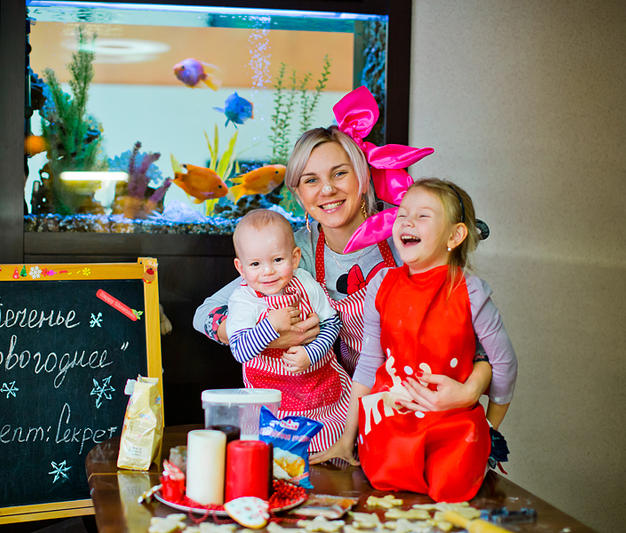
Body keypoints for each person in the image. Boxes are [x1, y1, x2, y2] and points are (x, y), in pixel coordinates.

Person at [194, 86, 495, 458]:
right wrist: (269, 336)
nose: (327, 190)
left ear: (362, 176)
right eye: (311, 180)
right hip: (329, 418)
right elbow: (205, 314)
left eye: (339, 173)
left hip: (418, 415)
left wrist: (468, 392)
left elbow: (478, 347)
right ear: (299, 195)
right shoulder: (292, 253)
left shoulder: (404, 239)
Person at [347, 178, 518, 502]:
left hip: (452, 424)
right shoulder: (380, 283)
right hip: (390, 421)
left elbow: (503, 362)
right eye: (402, 213)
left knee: (451, 486)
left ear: (454, 236)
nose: (407, 221)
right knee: (383, 482)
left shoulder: (470, 292)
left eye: (423, 215)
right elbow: (369, 362)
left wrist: (491, 428)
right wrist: (347, 437)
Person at [227, 209, 350, 452]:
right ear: (241, 268)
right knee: (278, 452)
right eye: (255, 264)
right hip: (273, 406)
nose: (268, 271)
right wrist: (271, 326)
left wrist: (311, 353)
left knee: (330, 446)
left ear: (294, 258)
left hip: (322, 396)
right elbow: (240, 351)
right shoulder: (243, 300)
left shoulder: (305, 282)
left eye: (277, 260)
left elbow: (332, 323)